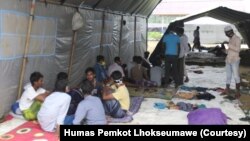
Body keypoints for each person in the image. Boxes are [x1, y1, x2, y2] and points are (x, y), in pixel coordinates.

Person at [222, 25, 241, 98]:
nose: (226, 34)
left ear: (230, 32)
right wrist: (225, 51)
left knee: (236, 76)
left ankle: (238, 92)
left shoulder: (237, 39)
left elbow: (238, 50)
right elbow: (231, 50)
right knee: (228, 76)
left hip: (235, 60)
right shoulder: (230, 39)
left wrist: (229, 45)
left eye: (226, 33)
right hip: (228, 60)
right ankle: (227, 89)